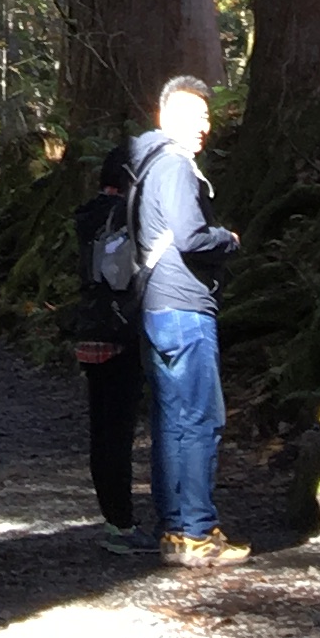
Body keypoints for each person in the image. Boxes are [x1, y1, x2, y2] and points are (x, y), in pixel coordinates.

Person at [131, 73, 244, 565]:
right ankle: (198, 530)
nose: (204, 127)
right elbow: (191, 236)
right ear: (165, 117)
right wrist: (230, 240)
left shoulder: (146, 164)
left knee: (171, 421)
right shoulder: (174, 164)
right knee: (199, 420)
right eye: (193, 117)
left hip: (158, 308)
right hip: (183, 309)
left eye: (206, 117)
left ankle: (176, 531)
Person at [72, 140, 146, 541]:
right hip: (121, 333)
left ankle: (112, 515)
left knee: (101, 431)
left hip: (90, 329)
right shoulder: (125, 216)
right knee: (118, 432)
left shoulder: (88, 215)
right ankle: (122, 521)